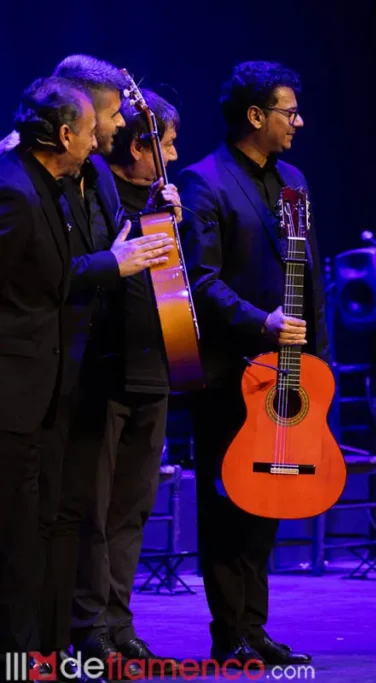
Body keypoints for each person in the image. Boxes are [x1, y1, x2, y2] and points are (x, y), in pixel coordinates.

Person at [178, 60, 323, 666]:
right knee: (227, 501)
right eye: (290, 111)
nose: (299, 121)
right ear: (256, 115)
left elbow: (308, 274)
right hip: (228, 370)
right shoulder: (203, 182)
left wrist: (317, 362)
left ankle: (255, 629)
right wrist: (259, 321)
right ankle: (229, 633)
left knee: (269, 499)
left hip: (286, 372)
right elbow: (200, 282)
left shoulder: (293, 181)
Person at [37, 55, 176, 682]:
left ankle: (113, 627)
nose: (118, 125)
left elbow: (116, 248)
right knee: (81, 511)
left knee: (125, 509)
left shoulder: (95, 173)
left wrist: (154, 218)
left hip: (130, 359)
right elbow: (70, 268)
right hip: (73, 366)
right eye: (114, 113)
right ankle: (79, 633)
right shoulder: (36, 175)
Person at [0, 76, 96, 679]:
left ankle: (28, 657)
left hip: (39, 394)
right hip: (11, 396)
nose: (95, 143)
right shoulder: (13, 191)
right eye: (90, 132)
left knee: (29, 538)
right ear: (64, 135)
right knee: (11, 544)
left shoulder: (45, 186)